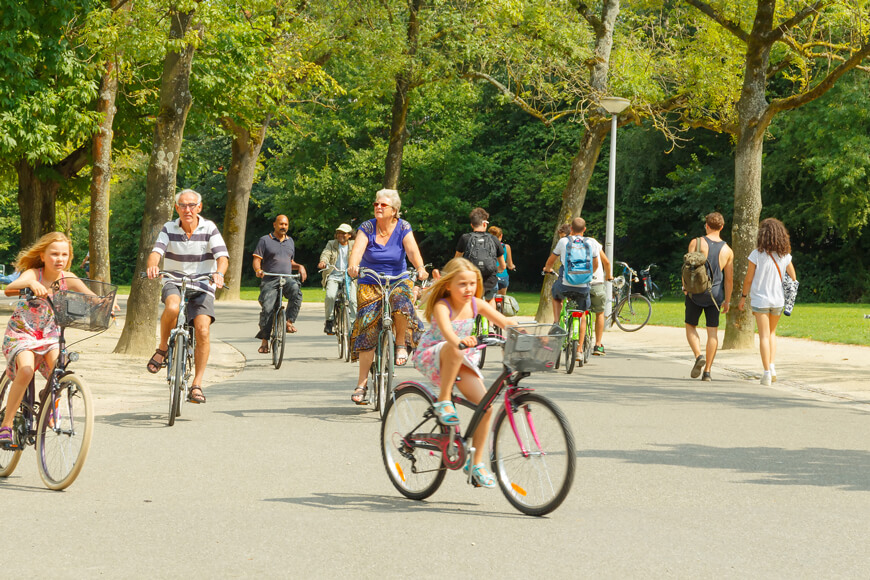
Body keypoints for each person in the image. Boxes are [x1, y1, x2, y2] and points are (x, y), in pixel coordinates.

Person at [411, 257, 515, 488]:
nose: (468, 289)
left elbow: (504, 321)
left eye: (472, 283)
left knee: (485, 407)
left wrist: (526, 331)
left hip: (461, 357)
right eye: (462, 284)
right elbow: (448, 335)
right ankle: (444, 399)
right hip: (434, 355)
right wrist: (459, 341)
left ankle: (476, 464)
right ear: (448, 285)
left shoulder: (477, 303)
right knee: (454, 348)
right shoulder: (442, 305)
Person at [1, 232, 95, 448]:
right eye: (54, 254)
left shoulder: (68, 278)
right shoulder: (34, 273)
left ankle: (49, 398)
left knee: (59, 369)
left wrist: (106, 305)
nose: (59, 259)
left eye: (64, 254)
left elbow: (91, 296)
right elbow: (10, 288)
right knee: (25, 370)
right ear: (42, 256)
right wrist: (32, 285)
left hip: (50, 336)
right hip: (22, 333)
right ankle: (6, 425)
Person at [145, 189, 229, 404]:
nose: (187, 209)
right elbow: (157, 251)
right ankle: (162, 348)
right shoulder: (169, 227)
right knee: (172, 308)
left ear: (199, 207)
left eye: (192, 205)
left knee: (202, 329)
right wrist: (153, 266)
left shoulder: (209, 228)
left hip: (203, 284)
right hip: (174, 280)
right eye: (182, 205)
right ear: (177, 209)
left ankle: (197, 384)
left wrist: (219, 274)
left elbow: (222, 256)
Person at [348, 188, 428, 404]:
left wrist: (420, 268)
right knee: (368, 329)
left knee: (401, 302)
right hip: (370, 281)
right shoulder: (367, 227)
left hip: (398, 278)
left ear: (394, 210)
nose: (378, 207)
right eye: (376, 204)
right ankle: (362, 384)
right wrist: (353, 265)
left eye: (383, 205)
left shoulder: (403, 227)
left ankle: (400, 344)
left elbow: (412, 251)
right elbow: (357, 249)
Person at [738, 218, 797, 386]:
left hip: (760, 299)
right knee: (772, 333)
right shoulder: (785, 256)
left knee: (763, 335)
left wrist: (743, 297)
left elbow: (748, 279)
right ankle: (772, 367)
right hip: (778, 299)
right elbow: (793, 277)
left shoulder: (756, 254)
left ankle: (766, 374)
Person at [684, 212, 734, 382]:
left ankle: (698, 356)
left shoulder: (696, 243)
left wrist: (685, 286)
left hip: (695, 292)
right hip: (715, 295)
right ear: (722, 227)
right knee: (712, 332)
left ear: (706, 225)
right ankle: (707, 372)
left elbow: (687, 267)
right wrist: (727, 300)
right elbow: (729, 279)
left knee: (690, 325)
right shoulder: (727, 251)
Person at [543, 217, 600, 353]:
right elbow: (596, 264)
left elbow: (551, 260)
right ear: (585, 229)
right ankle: (579, 349)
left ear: (571, 229)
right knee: (582, 314)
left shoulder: (564, 241)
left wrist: (547, 269)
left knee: (556, 294)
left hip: (565, 284)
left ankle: (556, 322)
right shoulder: (591, 243)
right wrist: (588, 275)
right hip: (584, 286)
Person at [252, 215, 307, 353]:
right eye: (281, 224)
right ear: (274, 225)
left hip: (287, 278)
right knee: (268, 308)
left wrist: (300, 266)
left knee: (296, 291)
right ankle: (265, 341)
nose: (283, 227)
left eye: (286, 224)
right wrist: (258, 270)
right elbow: (256, 260)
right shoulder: (265, 240)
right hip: (270, 279)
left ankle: (288, 321)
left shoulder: (290, 241)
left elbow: (290, 262)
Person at [455, 208, 505, 304]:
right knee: (490, 299)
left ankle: (470, 317)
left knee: (469, 300)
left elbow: (457, 260)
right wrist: (498, 269)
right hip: (490, 279)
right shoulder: (494, 239)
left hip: (471, 278)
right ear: (485, 224)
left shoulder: (465, 238)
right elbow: (503, 265)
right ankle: (489, 318)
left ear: (472, 225)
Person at [317, 223, 357, 335]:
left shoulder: (354, 245)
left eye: (343, 233)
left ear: (349, 235)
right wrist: (323, 262)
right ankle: (329, 321)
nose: (340, 235)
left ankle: (354, 324)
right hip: (334, 275)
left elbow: (360, 256)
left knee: (353, 301)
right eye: (339, 232)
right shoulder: (332, 244)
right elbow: (326, 253)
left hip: (349, 277)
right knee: (330, 296)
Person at [581, 227, 612, 355]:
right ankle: (598, 345)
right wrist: (608, 276)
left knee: (580, 311)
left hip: (580, 283)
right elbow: (606, 262)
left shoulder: (570, 243)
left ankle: (577, 344)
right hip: (597, 283)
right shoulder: (594, 242)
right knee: (599, 312)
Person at [487, 226, 515, 296]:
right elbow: (510, 265)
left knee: (490, 299)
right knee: (502, 299)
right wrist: (512, 266)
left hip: (490, 276)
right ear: (501, 236)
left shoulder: (486, 247)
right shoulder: (506, 247)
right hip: (503, 276)